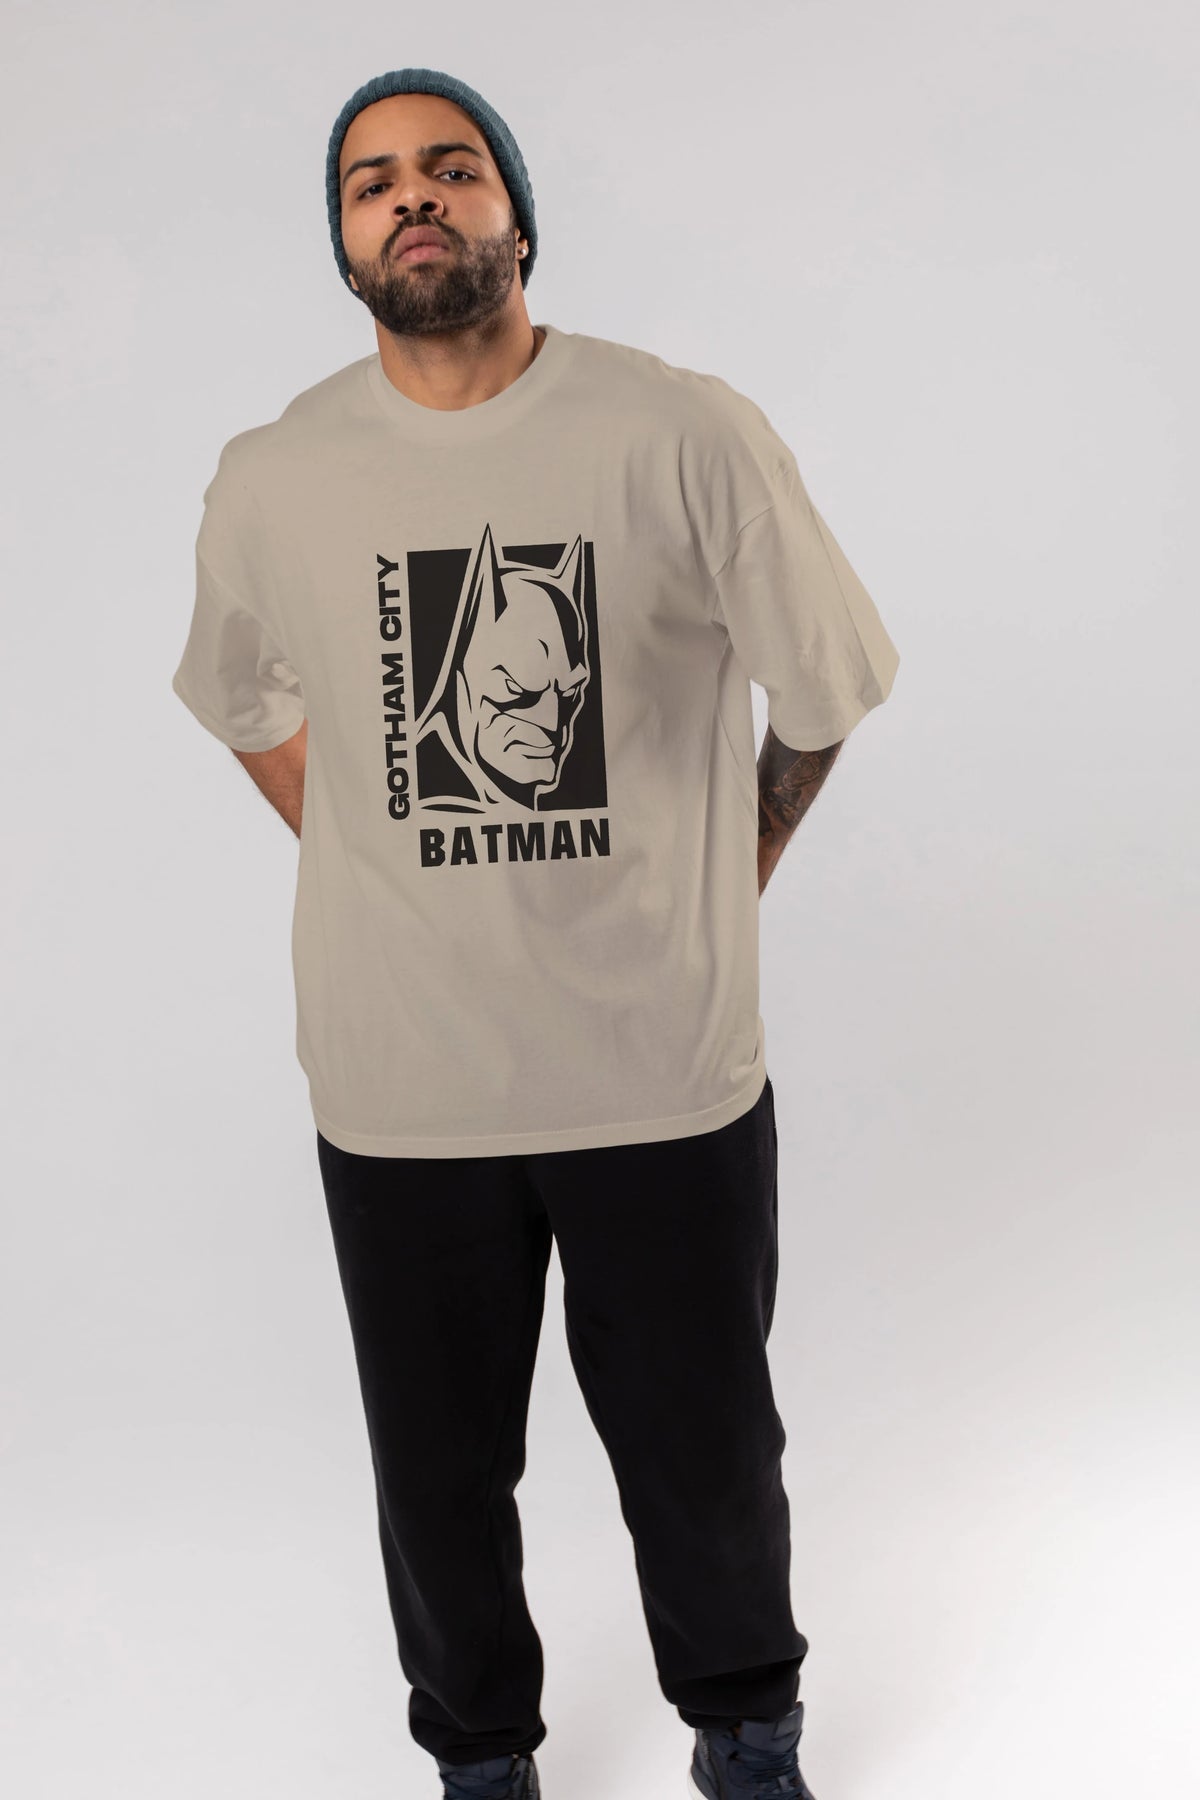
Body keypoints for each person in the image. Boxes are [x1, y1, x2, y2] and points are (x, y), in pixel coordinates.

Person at [170, 65, 900, 1800]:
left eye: (452, 167)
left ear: (517, 214)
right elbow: (242, 698)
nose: (413, 197)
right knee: (435, 1476)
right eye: (372, 183)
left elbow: (824, 688)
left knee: (706, 1450)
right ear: (344, 243)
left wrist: (737, 862)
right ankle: (481, 1760)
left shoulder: (681, 432)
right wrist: (369, 850)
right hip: (402, 1089)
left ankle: (747, 1732)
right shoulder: (275, 475)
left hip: (661, 1069)